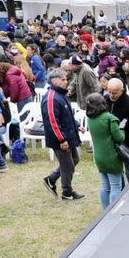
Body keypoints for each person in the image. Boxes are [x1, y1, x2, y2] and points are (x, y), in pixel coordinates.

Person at [41, 68, 85, 200]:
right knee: (68, 165)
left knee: (74, 160)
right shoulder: (51, 97)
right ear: (54, 81)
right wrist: (61, 140)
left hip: (68, 135)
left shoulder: (61, 95)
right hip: (60, 139)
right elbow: (53, 122)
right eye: (63, 79)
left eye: (66, 79)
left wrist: (77, 125)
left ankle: (51, 179)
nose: (67, 81)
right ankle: (67, 192)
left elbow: (67, 115)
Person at [86, 93, 125, 209]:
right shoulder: (110, 118)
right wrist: (122, 130)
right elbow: (119, 138)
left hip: (98, 156)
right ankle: (115, 211)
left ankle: (105, 211)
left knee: (104, 186)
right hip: (111, 156)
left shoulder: (90, 119)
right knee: (116, 186)